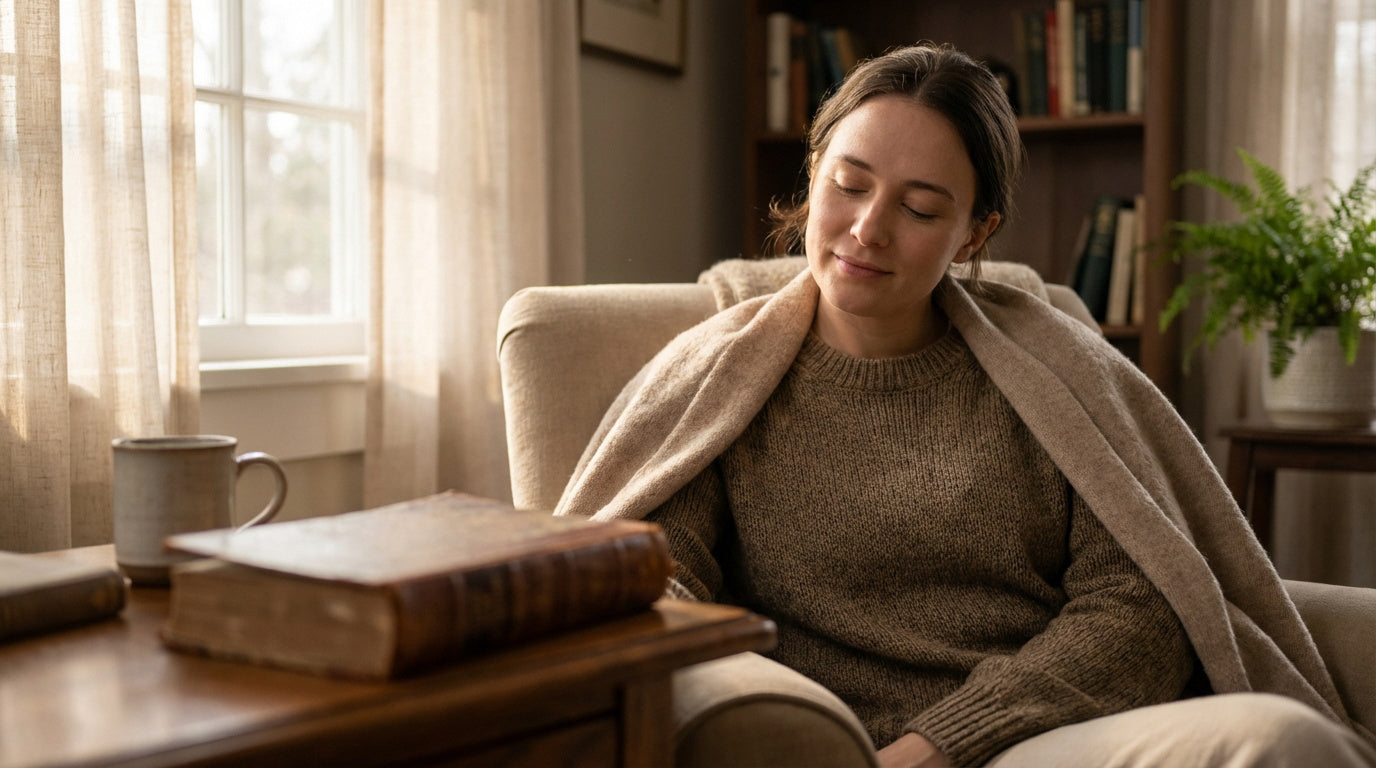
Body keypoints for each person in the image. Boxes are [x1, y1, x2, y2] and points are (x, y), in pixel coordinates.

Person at [556, 43, 1376, 767]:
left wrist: (945, 743)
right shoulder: (721, 383)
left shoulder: (1054, 377)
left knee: (1284, 742)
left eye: (919, 209)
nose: (867, 230)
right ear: (813, 177)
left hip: (1035, 739)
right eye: (848, 185)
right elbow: (658, 576)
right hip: (818, 744)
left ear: (975, 235)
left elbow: (1139, 601)